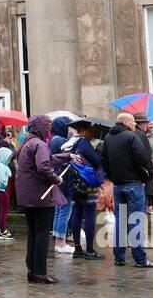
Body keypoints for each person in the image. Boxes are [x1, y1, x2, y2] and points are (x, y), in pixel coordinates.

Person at [14, 115, 67, 284]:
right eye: (47, 125)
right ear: (40, 127)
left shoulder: (26, 143)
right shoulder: (39, 144)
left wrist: (67, 156)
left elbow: (48, 159)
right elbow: (44, 166)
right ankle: (40, 272)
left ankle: (32, 270)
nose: (48, 129)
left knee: (33, 232)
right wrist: (56, 178)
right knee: (43, 233)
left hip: (27, 196)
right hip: (40, 197)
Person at [102, 112, 153, 268]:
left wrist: (113, 177)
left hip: (118, 185)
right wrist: (144, 176)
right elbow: (142, 160)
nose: (135, 124)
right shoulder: (131, 136)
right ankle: (140, 259)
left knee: (120, 222)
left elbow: (104, 161)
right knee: (136, 222)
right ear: (126, 122)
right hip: (133, 184)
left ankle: (119, 257)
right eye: (133, 121)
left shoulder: (108, 137)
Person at [68, 120, 105, 260]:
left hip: (75, 184)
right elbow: (96, 161)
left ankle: (78, 249)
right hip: (87, 184)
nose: (93, 132)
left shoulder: (76, 143)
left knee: (76, 213)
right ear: (83, 130)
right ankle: (89, 249)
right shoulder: (85, 143)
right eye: (91, 129)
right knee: (90, 214)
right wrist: (99, 151)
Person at [49, 116, 76, 255]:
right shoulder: (60, 140)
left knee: (59, 209)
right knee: (65, 209)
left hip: (57, 177)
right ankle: (61, 242)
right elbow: (68, 155)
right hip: (63, 178)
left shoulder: (53, 139)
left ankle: (57, 239)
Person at [0, 144, 14, 241]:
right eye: (8, 157)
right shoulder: (1, 166)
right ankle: (2, 230)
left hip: (5, 191)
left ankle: (3, 228)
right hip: (3, 191)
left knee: (4, 211)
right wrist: (6, 186)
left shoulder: (4, 166)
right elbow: (2, 180)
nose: (10, 159)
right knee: (3, 211)